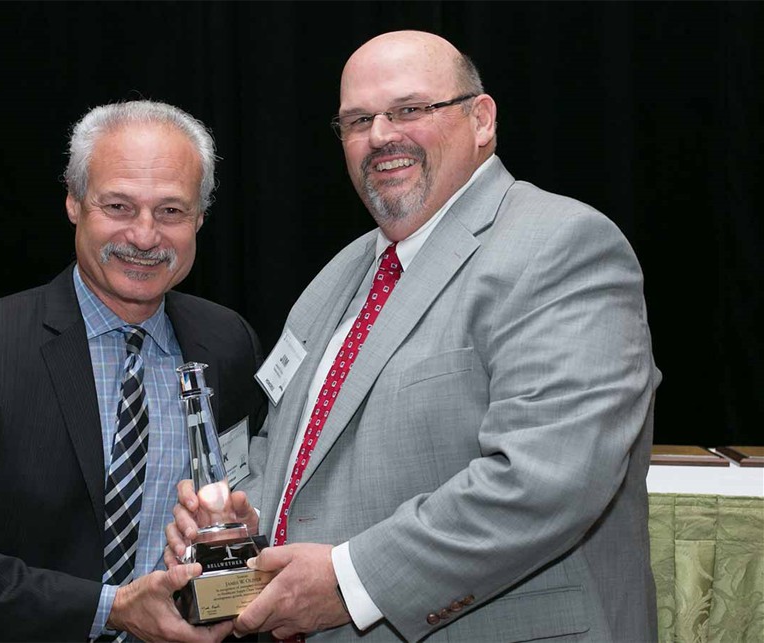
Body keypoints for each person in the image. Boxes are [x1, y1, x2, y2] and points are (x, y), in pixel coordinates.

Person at [168, 31, 660, 642]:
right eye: (358, 120)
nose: (380, 136)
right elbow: (283, 445)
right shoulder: (337, 278)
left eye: (409, 110)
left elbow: (544, 478)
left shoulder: (561, 245)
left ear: (480, 120)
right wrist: (243, 515)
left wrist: (350, 582)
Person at [0, 100, 266, 642]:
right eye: (118, 206)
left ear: (200, 218)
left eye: (172, 211)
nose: (144, 235)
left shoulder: (228, 342)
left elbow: (242, 497)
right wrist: (111, 607)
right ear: (73, 202)